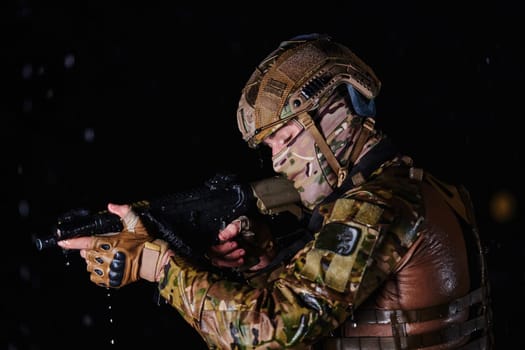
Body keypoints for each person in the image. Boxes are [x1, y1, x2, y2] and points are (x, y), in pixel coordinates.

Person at [58, 33, 494, 349]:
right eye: (270, 149)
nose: (279, 161)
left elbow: (263, 332)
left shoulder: (379, 206)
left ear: (336, 114)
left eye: (285, 139)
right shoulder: (410, 187)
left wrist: (161, 266)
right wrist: (266, 263)